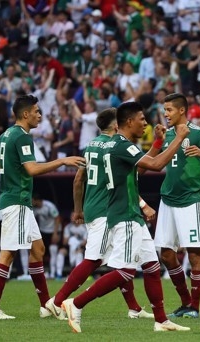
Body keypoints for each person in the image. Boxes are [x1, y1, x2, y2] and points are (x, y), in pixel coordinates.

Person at [62, 102, 191, 333]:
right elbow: (156, 164)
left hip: (130, 213)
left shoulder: (117, 145)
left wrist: (159, 143)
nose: (146, 123)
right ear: (129, 121)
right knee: (124, 272)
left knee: (151, 266)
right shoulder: (121, 145)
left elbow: (140, 168)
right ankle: (76, 303)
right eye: (142, 119)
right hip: (125, 216)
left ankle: (161, 320)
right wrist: (178, 138)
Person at [0, 94, 86, 320]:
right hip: (16, 200)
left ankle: (46, 306)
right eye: (37, 111)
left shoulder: (6, 134)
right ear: (25, 114)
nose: (40, 115)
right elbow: (32, 169)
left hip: (17, 201)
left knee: (38, 249)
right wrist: (62, 161)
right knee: (7, 254)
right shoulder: (22, 137)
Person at [46, 108, 155, 321]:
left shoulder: (90, 146)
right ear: (117, 125)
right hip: (108, 208)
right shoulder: (113, 148)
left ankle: (133, 307)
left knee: (122, 260)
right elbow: (124, 182)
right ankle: (57, 302)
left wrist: (78, 209)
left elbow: (79, 180)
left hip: (93, 206)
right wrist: (142, 204)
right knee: (95, 259)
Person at [153, 93, 200, 319]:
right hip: (167, 199)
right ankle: (185, 302)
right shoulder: (167, 135)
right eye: (165, 110)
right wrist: (157, 140)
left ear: (182, 110)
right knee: (166, 254)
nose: (166, 114)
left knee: (193, 255)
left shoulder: (199, 133)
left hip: (190, 200)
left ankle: (194, 306)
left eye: (169, 110)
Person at [32, 194, 62, 279]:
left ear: (37, 200)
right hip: (43, 231)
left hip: (53, 231)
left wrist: (55, 233)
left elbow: (57, 218)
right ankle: (43, 273)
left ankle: (53, 273)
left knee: (53, 251)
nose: (31, 202)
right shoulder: (34, 208)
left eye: (32, 200)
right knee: (40, 252)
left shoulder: (49, 206)